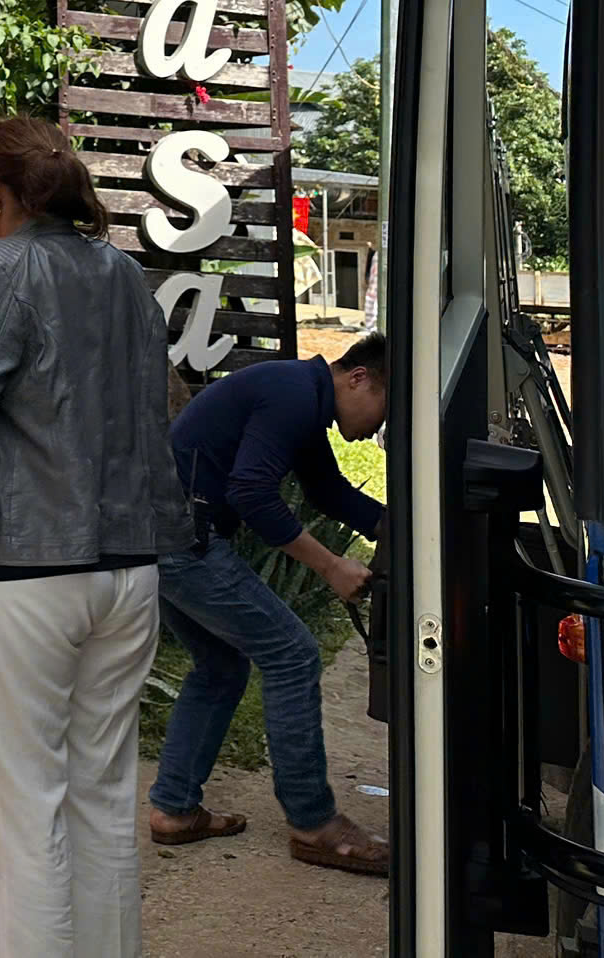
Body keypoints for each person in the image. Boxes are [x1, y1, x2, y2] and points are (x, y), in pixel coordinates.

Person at [0, 119, 188, 958]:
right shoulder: (125, 273)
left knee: (25, 813)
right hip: (129, 567)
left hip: (22, 566)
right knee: (103, 801)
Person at [148, 333, 390, 876]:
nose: (378, 430)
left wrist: (403, 530)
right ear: (359, 378)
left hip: (163, 536)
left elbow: (328, 491)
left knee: (221, 667)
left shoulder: (301, 395)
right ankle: (313, 823)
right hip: (186, 541)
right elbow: (251, 493)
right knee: (293, 655)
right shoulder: (293, 395)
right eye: (384, 411)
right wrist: (331, 566)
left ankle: (174, 809)